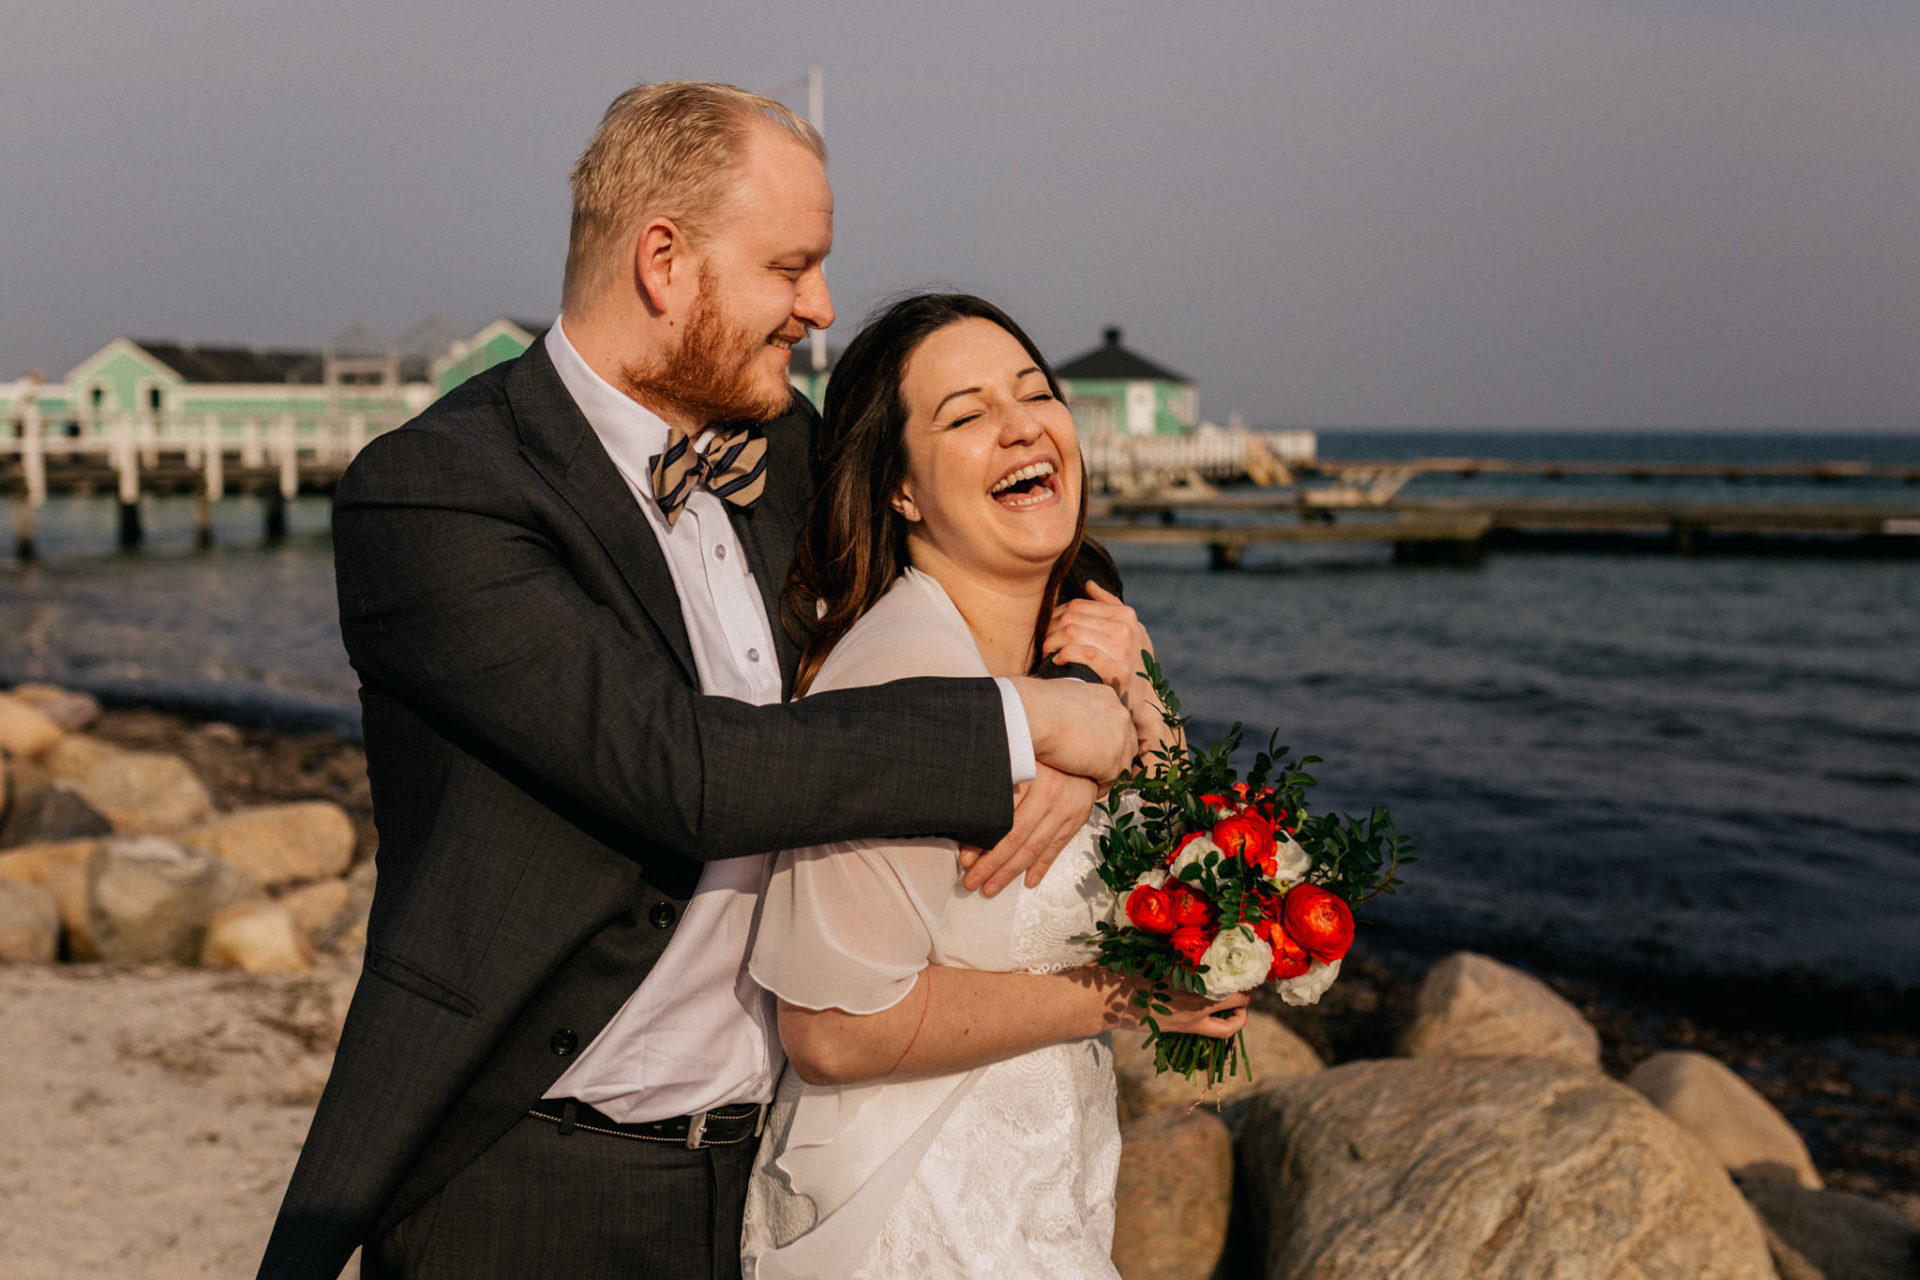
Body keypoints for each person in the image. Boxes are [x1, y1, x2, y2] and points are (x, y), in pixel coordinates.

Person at [256, 83, 1137, 1280]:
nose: (820, 308)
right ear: (664, 260)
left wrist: (1091, 715)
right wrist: (1027, 723)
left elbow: (1020, 543)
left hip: (764, 1177)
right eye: (792, 267)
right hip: (525, 1176)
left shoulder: (787, 452)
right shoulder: (438, 493)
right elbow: (687, 771)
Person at [740, 294, 1250, 1278]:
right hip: (910, 1212)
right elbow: (832, 1031)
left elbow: (1190, 870)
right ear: (901, 490)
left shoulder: (1090, 657)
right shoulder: (898, 679)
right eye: (967, 414)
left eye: (1036, 393)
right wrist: (1124, 996)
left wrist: (1143, 703)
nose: (1022, 426)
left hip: (1049, 1188)